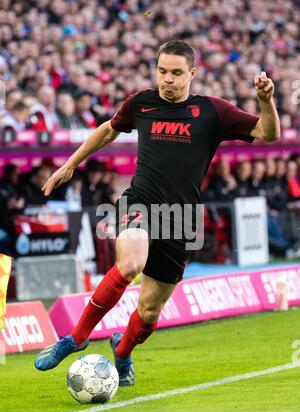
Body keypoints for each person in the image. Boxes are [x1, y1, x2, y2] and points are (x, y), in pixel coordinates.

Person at [34, 40, 280, 386]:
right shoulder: (141, 103)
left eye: (176, 73)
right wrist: (70, 164)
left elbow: (268, 134)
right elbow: (107, 130)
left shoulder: (213, 112)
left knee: (149, 313)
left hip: (180, 220)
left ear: (192, 74)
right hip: (140, 202)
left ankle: (122, 351)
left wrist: (266, 102)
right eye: (162, 71)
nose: (168, 79)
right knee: (130, 265)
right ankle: (75, 338)